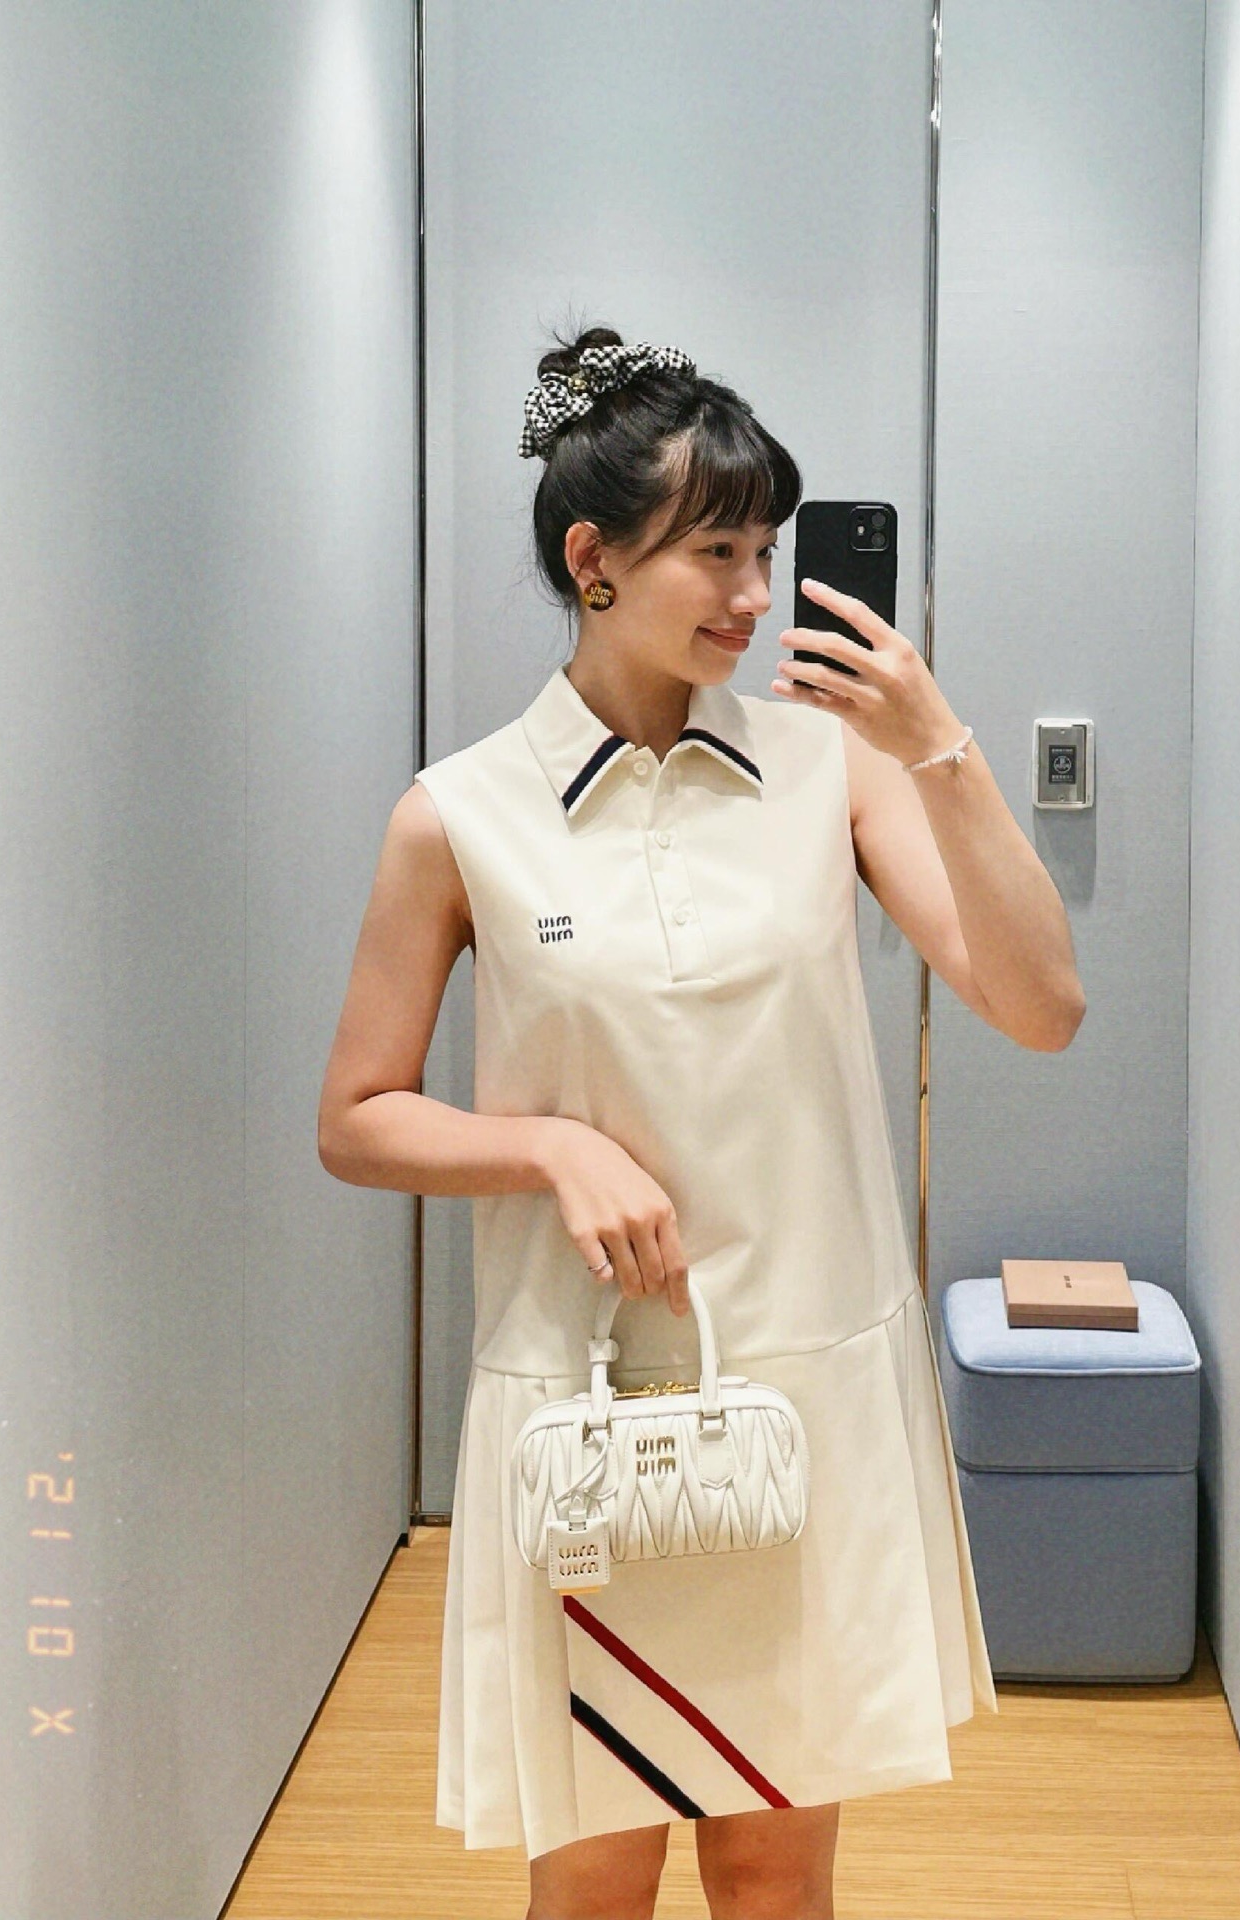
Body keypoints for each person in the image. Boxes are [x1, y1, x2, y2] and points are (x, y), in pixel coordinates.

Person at [318, 324, 1085, 1920]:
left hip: (808, 1389)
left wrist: (938, 749)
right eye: (712, 552)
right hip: (588, 1411)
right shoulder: (459, 813)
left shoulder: (828, 769)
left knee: (774, 1873)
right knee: (593, 1880)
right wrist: (551, 1146)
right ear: (593, 561)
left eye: (765, 551)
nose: (752, 593)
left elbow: (1041, 1006)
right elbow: (359, 1118)